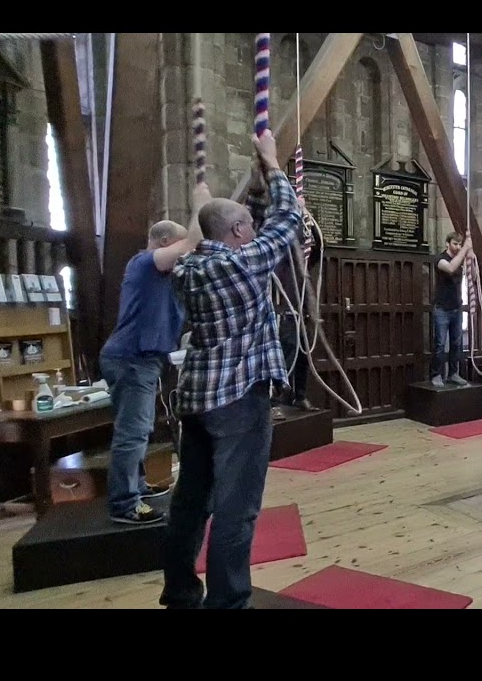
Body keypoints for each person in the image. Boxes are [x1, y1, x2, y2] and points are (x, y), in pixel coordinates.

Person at [159, 129, 303, 610]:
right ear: (238, 232)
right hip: (239, 400)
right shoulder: (245, 263)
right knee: (236, 511)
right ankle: (228, 603)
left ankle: (180, 593)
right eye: (247, 222)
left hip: (196, 399)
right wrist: (272, 162)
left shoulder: (187, 270)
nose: (255, 229)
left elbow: (204, 234)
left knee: (190, 503)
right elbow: (289, 220)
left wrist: (209, 204)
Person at [98, 189, 204, 525]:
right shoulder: (145, 263)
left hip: (141, 359)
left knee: (138, 428)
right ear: (162, 243)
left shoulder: (164, 278)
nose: (182, 257)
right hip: (131, 359)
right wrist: (201, 204)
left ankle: (137, 487)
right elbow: (189, 247)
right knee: (133, 431)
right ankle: (124, 504)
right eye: (175, 247)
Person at [275, 215, 323, 411]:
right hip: (285, 314)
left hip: (302, 315)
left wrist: (310, 228)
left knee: (304, 355)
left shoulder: (304, 265)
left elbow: (317, 251)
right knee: (288, 355)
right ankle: (277, 400)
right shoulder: (281, 263)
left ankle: (300, 396)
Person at [431, 232, 471, 387]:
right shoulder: (440, 259)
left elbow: (471, 274)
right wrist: (466, 248)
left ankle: (453, 373)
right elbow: (450, 268)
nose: (458, 247)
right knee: (440, 344)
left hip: (456, 308)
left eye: (460, 244)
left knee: (456, 342)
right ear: (447, 243)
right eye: (455, 244)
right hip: (442, 308)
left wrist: (471, 255)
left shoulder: (460, 259)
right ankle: (436, 374)